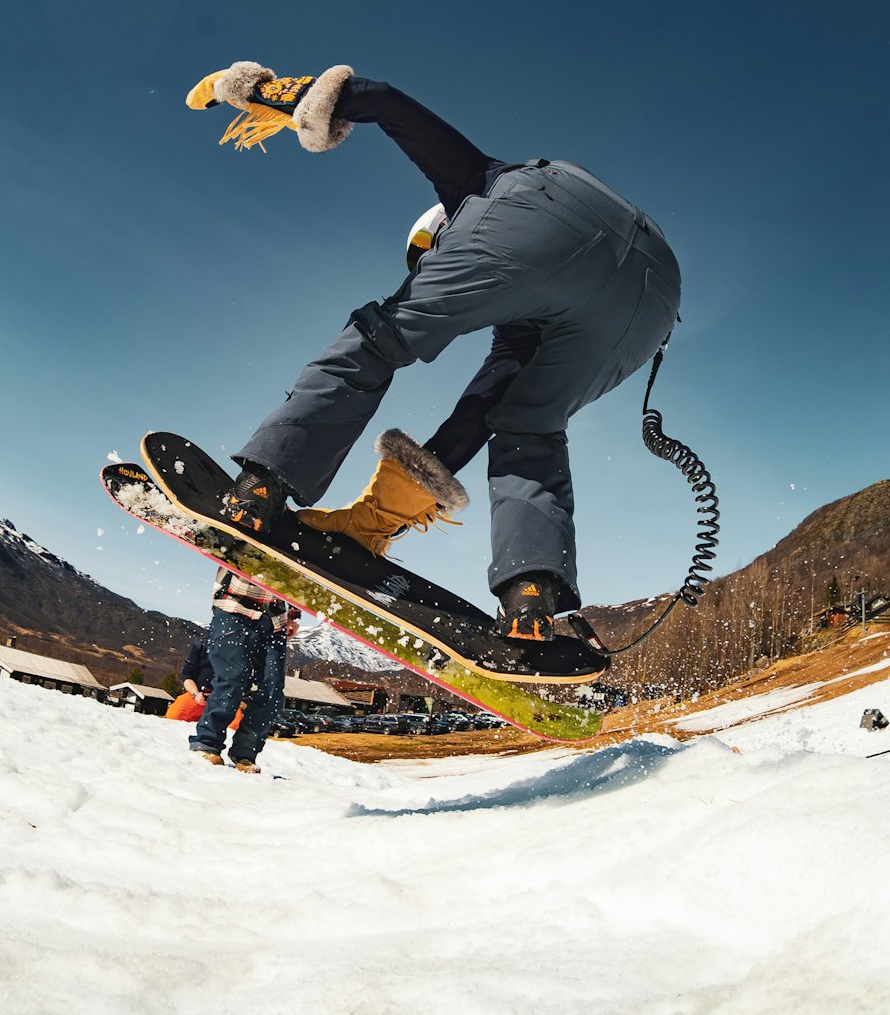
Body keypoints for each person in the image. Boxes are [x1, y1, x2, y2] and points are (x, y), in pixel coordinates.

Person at [186, 63, 681, 679]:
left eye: (427, 259)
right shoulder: (525, 329)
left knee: (377, 338)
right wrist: (376, 517)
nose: (425, 272)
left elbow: (384, 101)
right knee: (530, 425)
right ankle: (532, 598)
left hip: (538, 216)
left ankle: (262, 487)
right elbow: (476, 418)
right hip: (653, 300)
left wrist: (260, 91)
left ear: (439, 233)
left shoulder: (476, 188)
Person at [190, 564, 300, 772]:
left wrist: (293, 616)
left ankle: (245, 753)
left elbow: (302, 574)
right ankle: (207, 743)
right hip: (234, 607)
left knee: (272, 689)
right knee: (232, 678)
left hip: (274, 619)